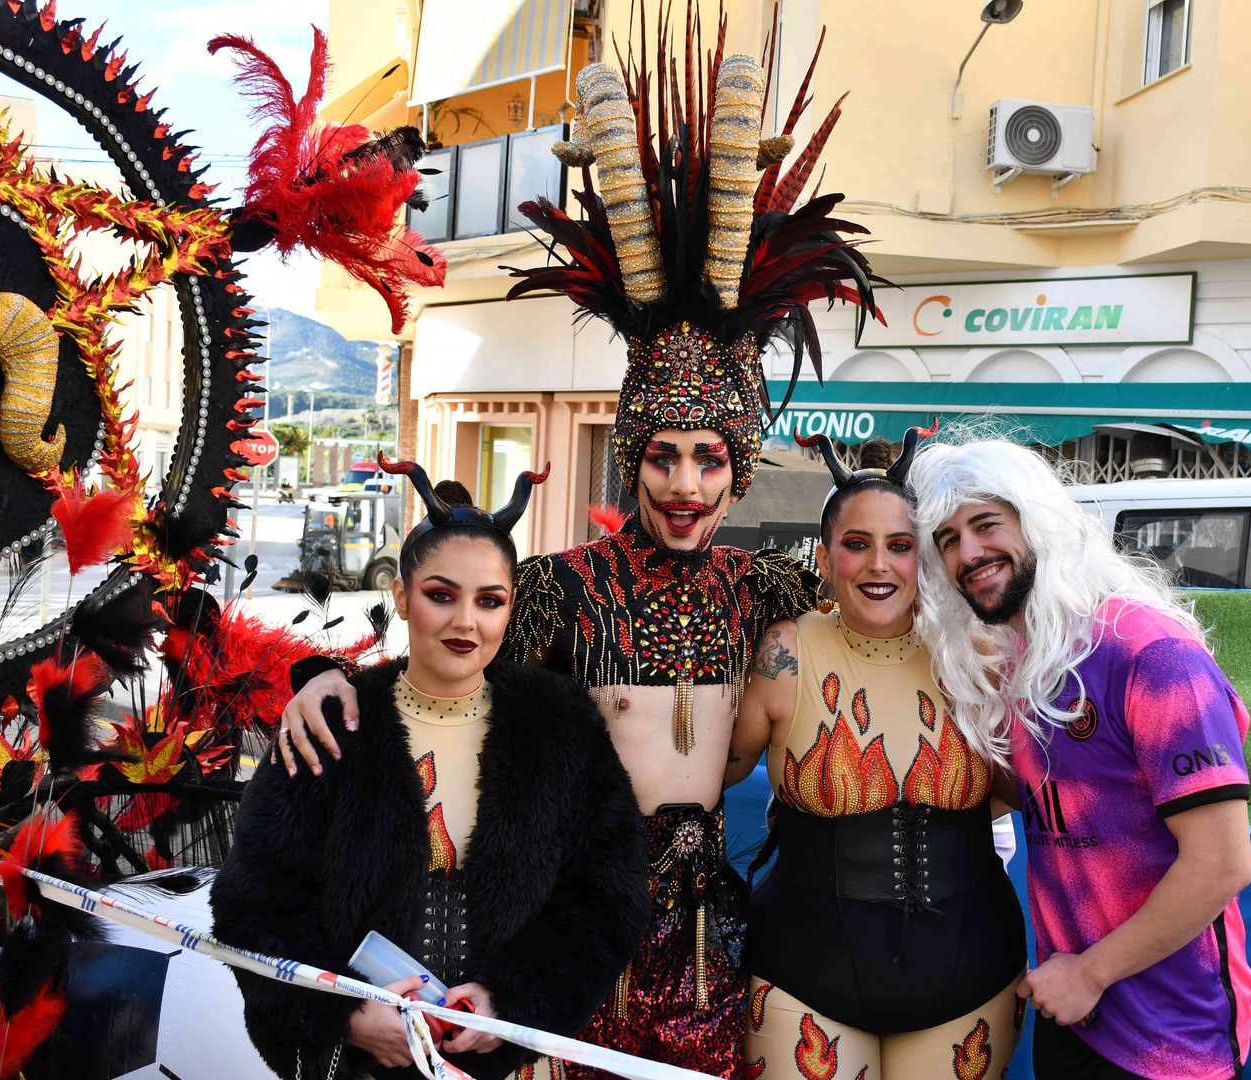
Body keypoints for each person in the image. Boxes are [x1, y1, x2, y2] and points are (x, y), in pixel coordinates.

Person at [275, 23, 887, 1080]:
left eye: (707, 460)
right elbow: (446, 667)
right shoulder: (558, 588)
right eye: (661, 457)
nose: (683, 486)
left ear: (737, 470)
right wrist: (320, 682)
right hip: (569, 920)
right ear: (628, 459)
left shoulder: (766, 589)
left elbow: (888, 606)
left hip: (706, 934)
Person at [211, 462, 650, 1080]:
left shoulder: (561, 726)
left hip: (503, 1059)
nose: (465, 622)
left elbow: (611, 897)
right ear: (401, 595)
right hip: (359, 1062)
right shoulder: (332, 723)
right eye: (441, 595)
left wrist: (509, 1003)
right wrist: (345, 1012)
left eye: (489, 601)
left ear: (511, 608)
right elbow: (253, 904)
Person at [908, 437, 1251, 1080]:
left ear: (1038, 519)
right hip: (1074, 1014)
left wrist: (1089, 973)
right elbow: (1045, 794)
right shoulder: (1026, 663)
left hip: (1169, 1040)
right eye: (948, 539)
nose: (968, 553)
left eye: (987, 524)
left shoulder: (1150, 654)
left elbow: (1222, 863)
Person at [726, 430, 1026, 1080]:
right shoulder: (784, 653)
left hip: (971, 973)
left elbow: (1030, 784)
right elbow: (702, 775)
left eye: (901, 546)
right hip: (800, 977)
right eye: (856, 545)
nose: (878, 566)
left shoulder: (979, 651)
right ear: (826, 553)